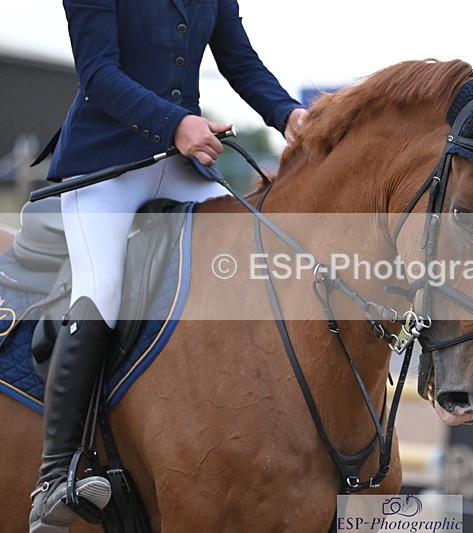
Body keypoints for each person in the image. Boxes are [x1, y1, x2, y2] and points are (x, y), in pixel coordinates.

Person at [28, 1, 307, 531]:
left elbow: (240, 61)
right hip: (106, 162)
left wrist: (288, 114)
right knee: (102, 288)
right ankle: (54, 475)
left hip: (181, 166)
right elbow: (98, 73)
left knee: (247, 262)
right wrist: (176, 121)